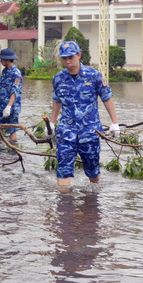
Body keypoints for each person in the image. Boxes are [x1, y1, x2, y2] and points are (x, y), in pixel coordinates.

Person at [48, 41, 120, 188]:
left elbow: (107, 98)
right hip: (66, 132)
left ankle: (92, 199)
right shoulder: (58, 78)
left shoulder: (94, 76)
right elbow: (56, 100)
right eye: (64, 58)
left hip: (90, 132)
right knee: (63, 170)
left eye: (71, 57)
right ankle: (64, 201)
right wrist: (52, 123)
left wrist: (114, 122)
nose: (68, 61)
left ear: (79, 55)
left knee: (93, 172)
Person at [0, 48, 23, 142]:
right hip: (1, 105)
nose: (1, 61)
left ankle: (12, 147)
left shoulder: (16, 74)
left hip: (12, 107)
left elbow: (15, 91)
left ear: (7, 60)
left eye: (2, 59)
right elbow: (2, 88)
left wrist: (9, 106)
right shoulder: (4, 72)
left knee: (12, 130)